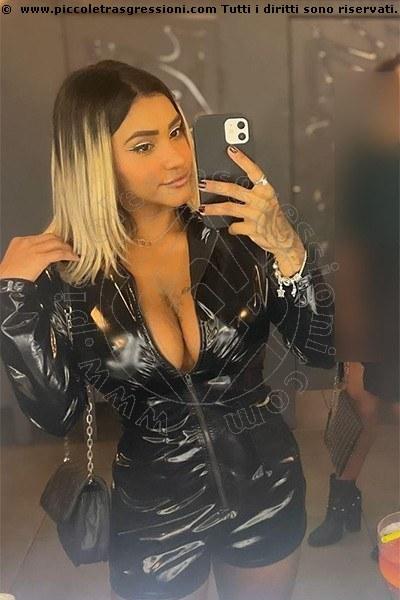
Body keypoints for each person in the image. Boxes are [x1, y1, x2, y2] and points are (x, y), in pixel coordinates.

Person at [0, 60, 334, 600]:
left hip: (265, 483)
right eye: (144, 145)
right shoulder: (71, 273)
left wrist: (289, 249)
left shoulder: (236, 232)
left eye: (177, 131)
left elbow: (320, 347)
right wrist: (13, 302)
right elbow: (57, 412)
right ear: (94, 163)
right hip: (154, 510)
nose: (177, 157)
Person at [308, 55, 400, 549]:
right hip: (378, 312)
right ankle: (341, 504)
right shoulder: (367, 166)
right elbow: (353, 252)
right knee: (360, 409)